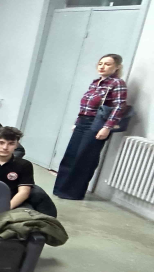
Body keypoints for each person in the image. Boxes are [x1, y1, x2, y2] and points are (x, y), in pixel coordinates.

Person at [54, 53, 128, 200]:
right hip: (83, 121)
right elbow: (85, 105)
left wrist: (107, 127)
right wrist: (77, 122)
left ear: (117, 67)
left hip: (97, 123)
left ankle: (73, 193)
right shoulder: (95, 83)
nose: (102, 67)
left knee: (85, 158)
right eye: (100, 63)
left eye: (107, 64)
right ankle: (61, 189)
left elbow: (119, 106)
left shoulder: (117, 83)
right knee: (71, 155)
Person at [0, 127, 57, 217]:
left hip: (13, 202)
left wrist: (5, 209)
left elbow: (23, 192)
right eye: (1, 143)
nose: (5, 147)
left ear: (16, 145)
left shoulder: (24, 165)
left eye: (11, 143)